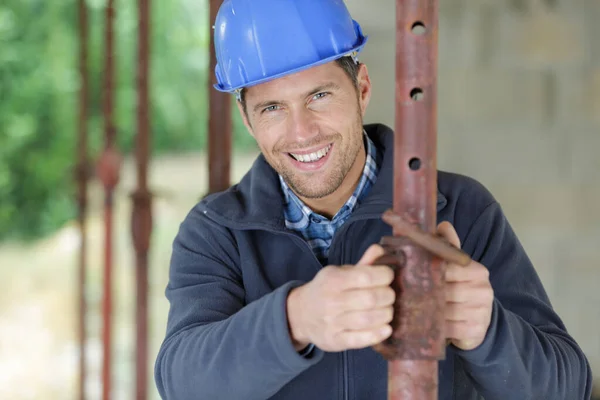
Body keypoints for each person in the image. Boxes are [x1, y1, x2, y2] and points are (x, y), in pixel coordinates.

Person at [154, 1, 593, 399]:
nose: (302, 132)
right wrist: (295, 320)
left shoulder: (460, 209)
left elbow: (568, 387)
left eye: (319, 96)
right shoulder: (216, 231)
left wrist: (488, 331)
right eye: (272, 108)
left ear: (362, 88)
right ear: (247, 119)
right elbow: (183, 384)